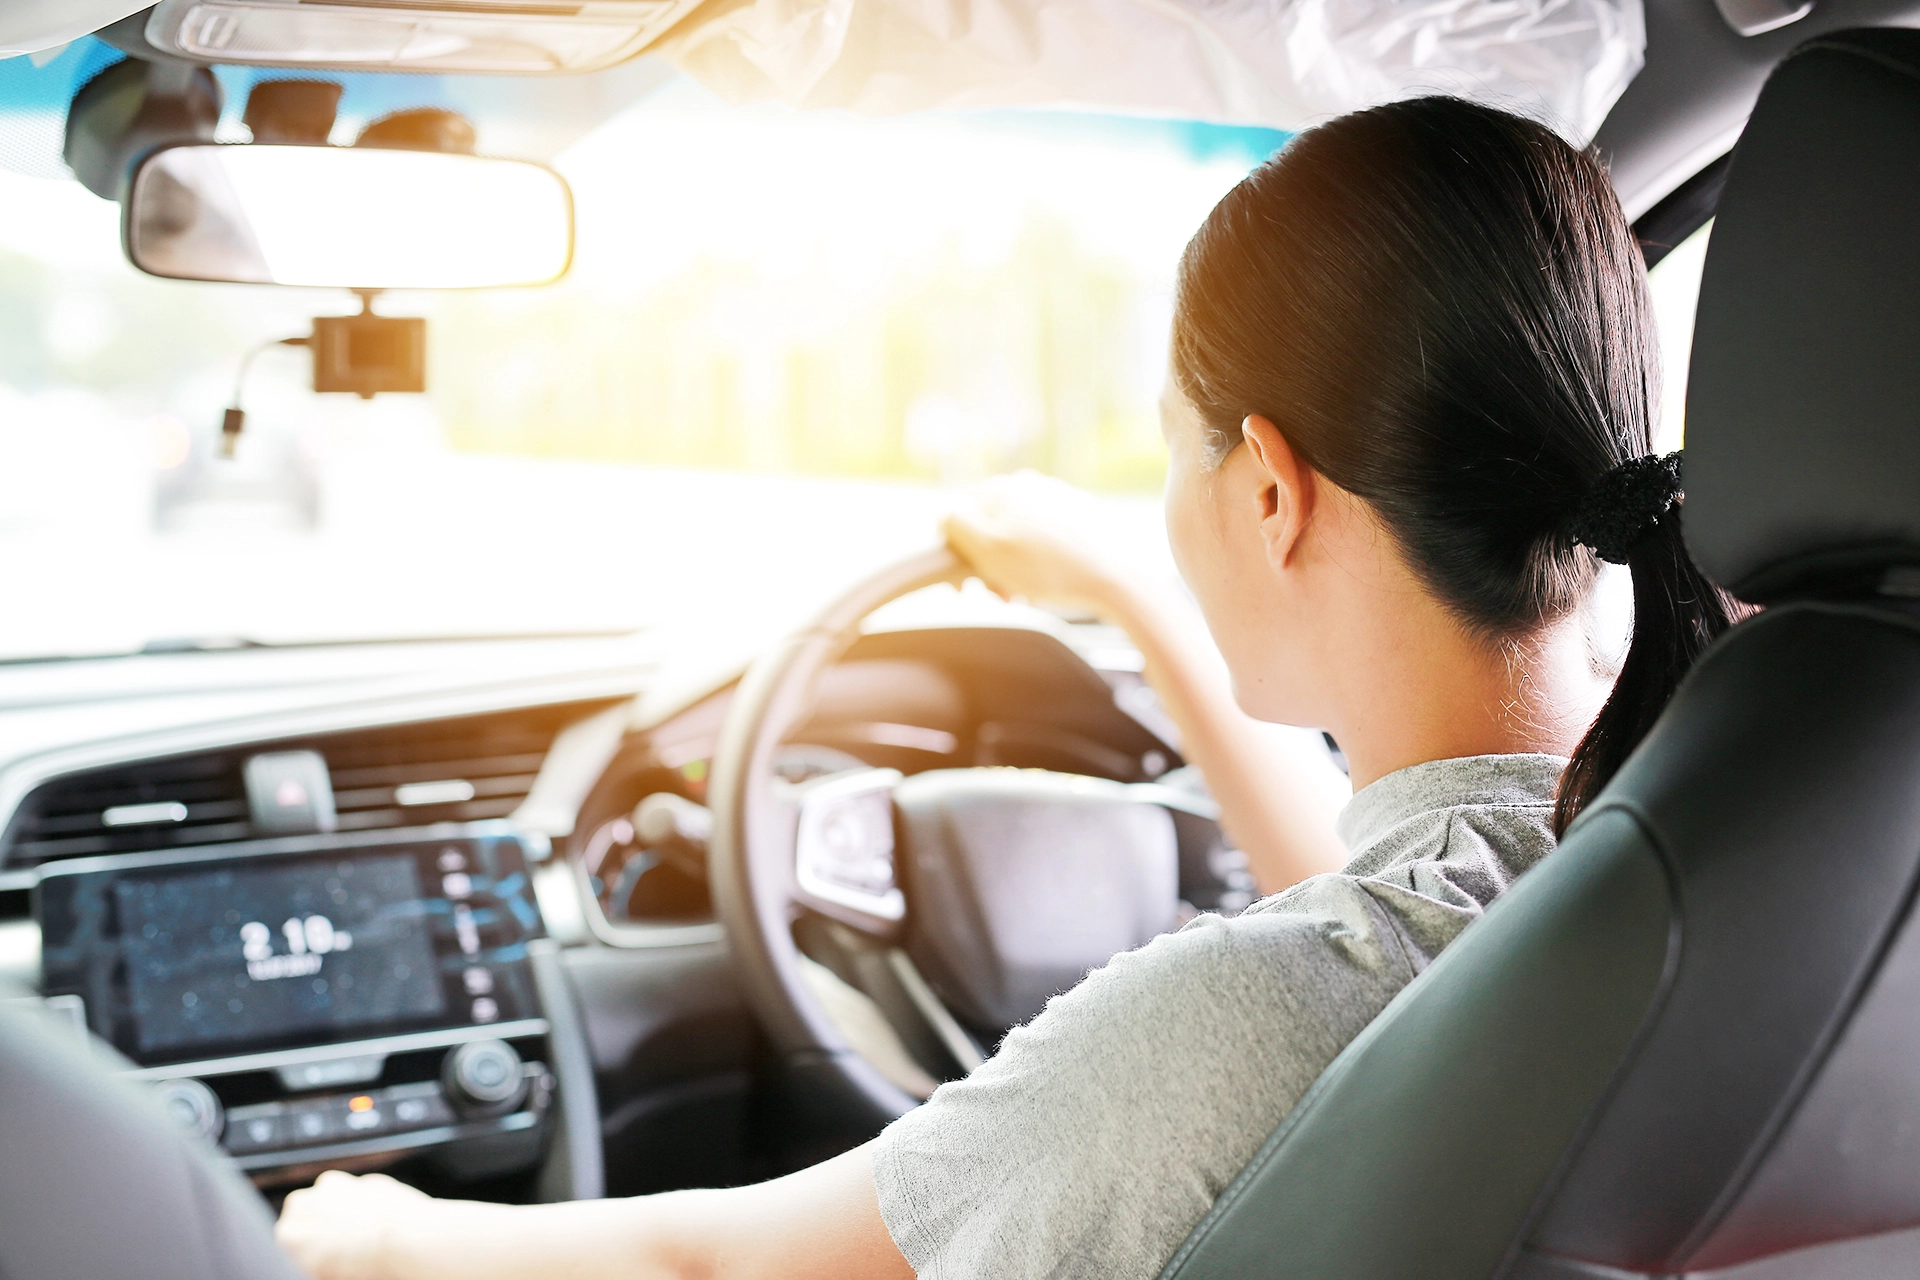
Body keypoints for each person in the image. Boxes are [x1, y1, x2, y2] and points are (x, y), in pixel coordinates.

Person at [274, 95, 1737, 1280]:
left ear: (1273, 492)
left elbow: (719, 1266)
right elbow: (1396, 951)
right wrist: (1130, 600)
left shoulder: (1224, 1034)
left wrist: (378, 1238)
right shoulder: (1720, 865)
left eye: (1178, 447)